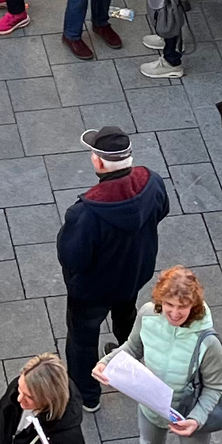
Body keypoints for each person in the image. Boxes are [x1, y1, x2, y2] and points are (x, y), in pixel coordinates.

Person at [94, 265, 222, 444]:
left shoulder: (208, 342)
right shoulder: (147, 315)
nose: (175, 313)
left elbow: (213, 387)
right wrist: (107, 361)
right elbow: (133, 348)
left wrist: (196, 419)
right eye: (169, 304)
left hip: (187, 412)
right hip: (151, 401)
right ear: (159, 300)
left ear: (194, 305)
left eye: (183, 306)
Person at [60, 126, 172, 414]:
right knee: (127, 315)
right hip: (134, 274)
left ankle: (87, 394)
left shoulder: (85, 212)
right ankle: (127, 358)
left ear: (98, 162)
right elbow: (162, 210)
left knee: (83, 337)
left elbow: (73, 256)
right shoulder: (153, 182)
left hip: (93, 290)